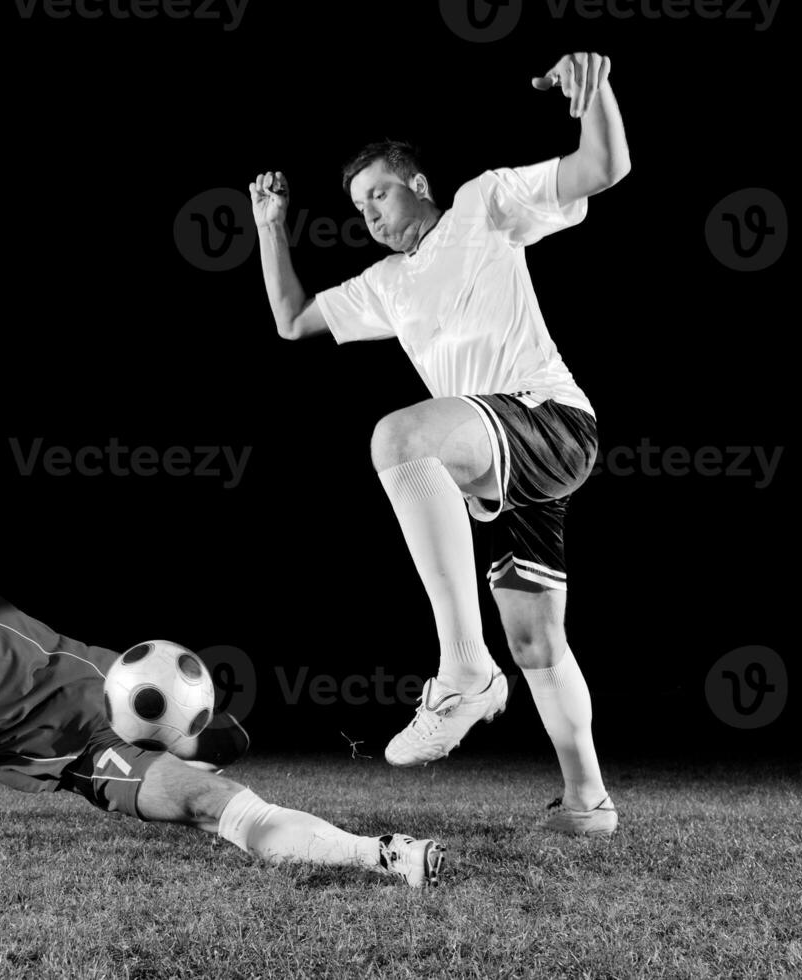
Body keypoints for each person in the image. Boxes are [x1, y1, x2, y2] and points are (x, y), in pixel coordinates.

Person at [251, 53, 629, 836]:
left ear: (417, 184)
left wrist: (596, 90)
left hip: (548, 419)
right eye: (358, 206)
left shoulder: (480, 205)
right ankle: (587, 799)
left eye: (380, 192)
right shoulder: (387, 282)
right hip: (497, 464)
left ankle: (462, 666)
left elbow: (606, 164)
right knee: (536, 637)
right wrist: (269, 230)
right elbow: (291, 319)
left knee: (399, 435)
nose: (371, 214)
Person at [0, 516, 446, 885]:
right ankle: (380, 854)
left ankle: (195, 734)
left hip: (113, 691)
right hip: (84, 760)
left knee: (228, 743)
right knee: (201, 798)